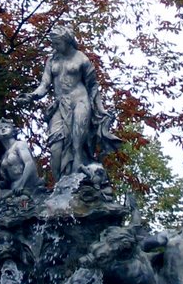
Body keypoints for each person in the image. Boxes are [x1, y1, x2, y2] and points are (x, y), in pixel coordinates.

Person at [17, 22, 119, 179]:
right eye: (53, 43)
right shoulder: (52, 61)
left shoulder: (82, 59)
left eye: (57, 43)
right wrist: (32, 96)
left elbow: (93, 86)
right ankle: (59, 186)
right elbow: (44, 85)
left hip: (80, 101)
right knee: (55, 147)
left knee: (77, 143)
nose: (55, 46)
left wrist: (101, 109)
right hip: (60, 104)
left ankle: (76, 183)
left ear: (67, 41)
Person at [0, 118, 40, 198]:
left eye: (6, 127)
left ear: (14, 131)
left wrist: (22, 184)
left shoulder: (20, 145)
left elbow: (30, 163)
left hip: (26, 186)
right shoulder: (3, 156)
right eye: (0, 128)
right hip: (14, 189)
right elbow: (8, 182)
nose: (3, 129)